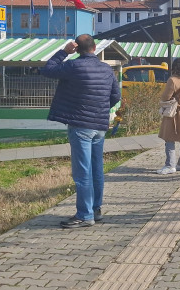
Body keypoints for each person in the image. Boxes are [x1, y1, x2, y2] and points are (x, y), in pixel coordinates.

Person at [41, 34, 120, 229]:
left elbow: (48, 69)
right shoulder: (107, 69)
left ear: (77, 48)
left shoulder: (73, 66)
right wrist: (101, 109)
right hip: (99, 126)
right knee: (96, 169)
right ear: (94, 48)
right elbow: (115, 96)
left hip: (80, 125)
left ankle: (85, 215)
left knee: (82, 171)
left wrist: (64, 52)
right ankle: (95, 209)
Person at [156, 58, 180, 174]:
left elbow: (165, 97)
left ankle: (170, 165)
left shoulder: (172, 80)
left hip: (174, 113)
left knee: (169, 138)